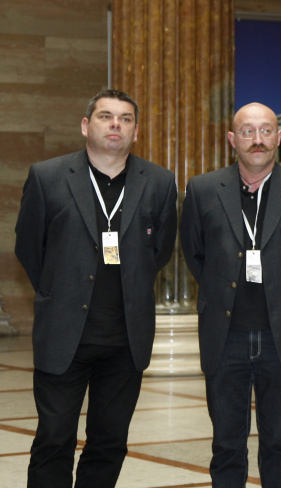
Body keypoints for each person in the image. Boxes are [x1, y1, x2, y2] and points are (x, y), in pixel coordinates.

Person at [14, 89, 178, 488]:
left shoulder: (159, 182)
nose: (115, 124)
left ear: (136, 131)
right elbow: (29, 248)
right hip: (63, 334)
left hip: (125, 339)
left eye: (125, 119)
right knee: (54, 439)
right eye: (106, 116)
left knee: (109, 442)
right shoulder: (48, 176)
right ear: (86, 126)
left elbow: (160, 252)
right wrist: (58, 291)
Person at [180, 102, 281, 487]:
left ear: (279, 137)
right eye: (247, 131)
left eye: (265, 130)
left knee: (280, 444)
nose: (257, 139)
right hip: (224, 336)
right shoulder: (203, 189)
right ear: (232, 139)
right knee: (226, 445)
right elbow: (195, 254)